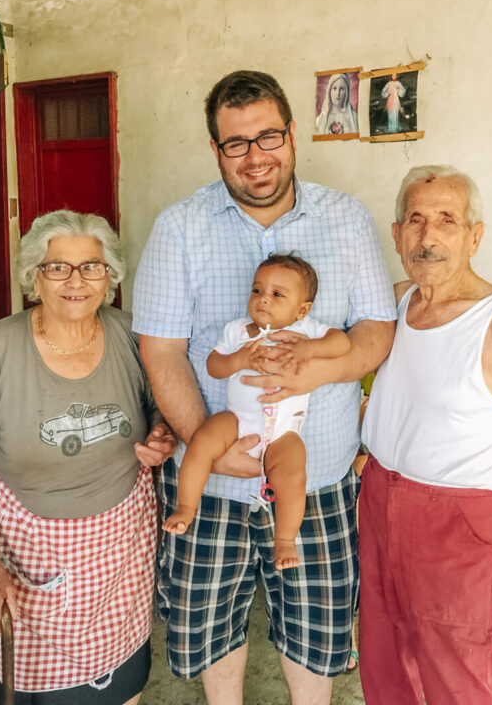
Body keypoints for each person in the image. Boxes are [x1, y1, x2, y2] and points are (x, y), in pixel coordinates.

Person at [133, 69, 396, 705]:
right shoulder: (180, 227)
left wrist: (315, 367)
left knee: (315, 629)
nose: (256, 157)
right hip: (214, 476)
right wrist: (206, 444)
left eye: (268, 136)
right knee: (213, 632)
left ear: (293, 134)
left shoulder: (345, 219)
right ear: (216, 149)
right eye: (236, 143)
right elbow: (161, 351)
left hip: (318, 472)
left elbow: (377, 331)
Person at [358, 165, 492, 705]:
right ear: (396, 233)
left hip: (458, 525)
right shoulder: (395, 302)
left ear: (474, 235)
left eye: (447, 220)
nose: (428, 237)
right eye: (415, 220)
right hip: (379, 501)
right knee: (386, 668)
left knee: (462, 682)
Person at [0, 210, 177, 705]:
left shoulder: (132, 334)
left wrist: (162, 433)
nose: (76, 281)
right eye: (57, 267)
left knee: (123, 684)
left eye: (91, 266)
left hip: (121, 560)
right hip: (27, 561)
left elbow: (161, 407)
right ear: (34, 276)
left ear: (108, 275)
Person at [163, 253, 351, 572]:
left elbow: (342, 343)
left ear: (302, 308)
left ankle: (285, 540)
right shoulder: (238, 331)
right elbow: (214, 365)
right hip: (236, 419)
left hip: (285, 432)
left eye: (277, 294)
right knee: (202, 441)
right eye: (257, 290)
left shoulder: (305, 330)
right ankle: (185, 506)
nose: (263, 299)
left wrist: (310, 349)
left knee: (292, 474)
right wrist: (237, 360)